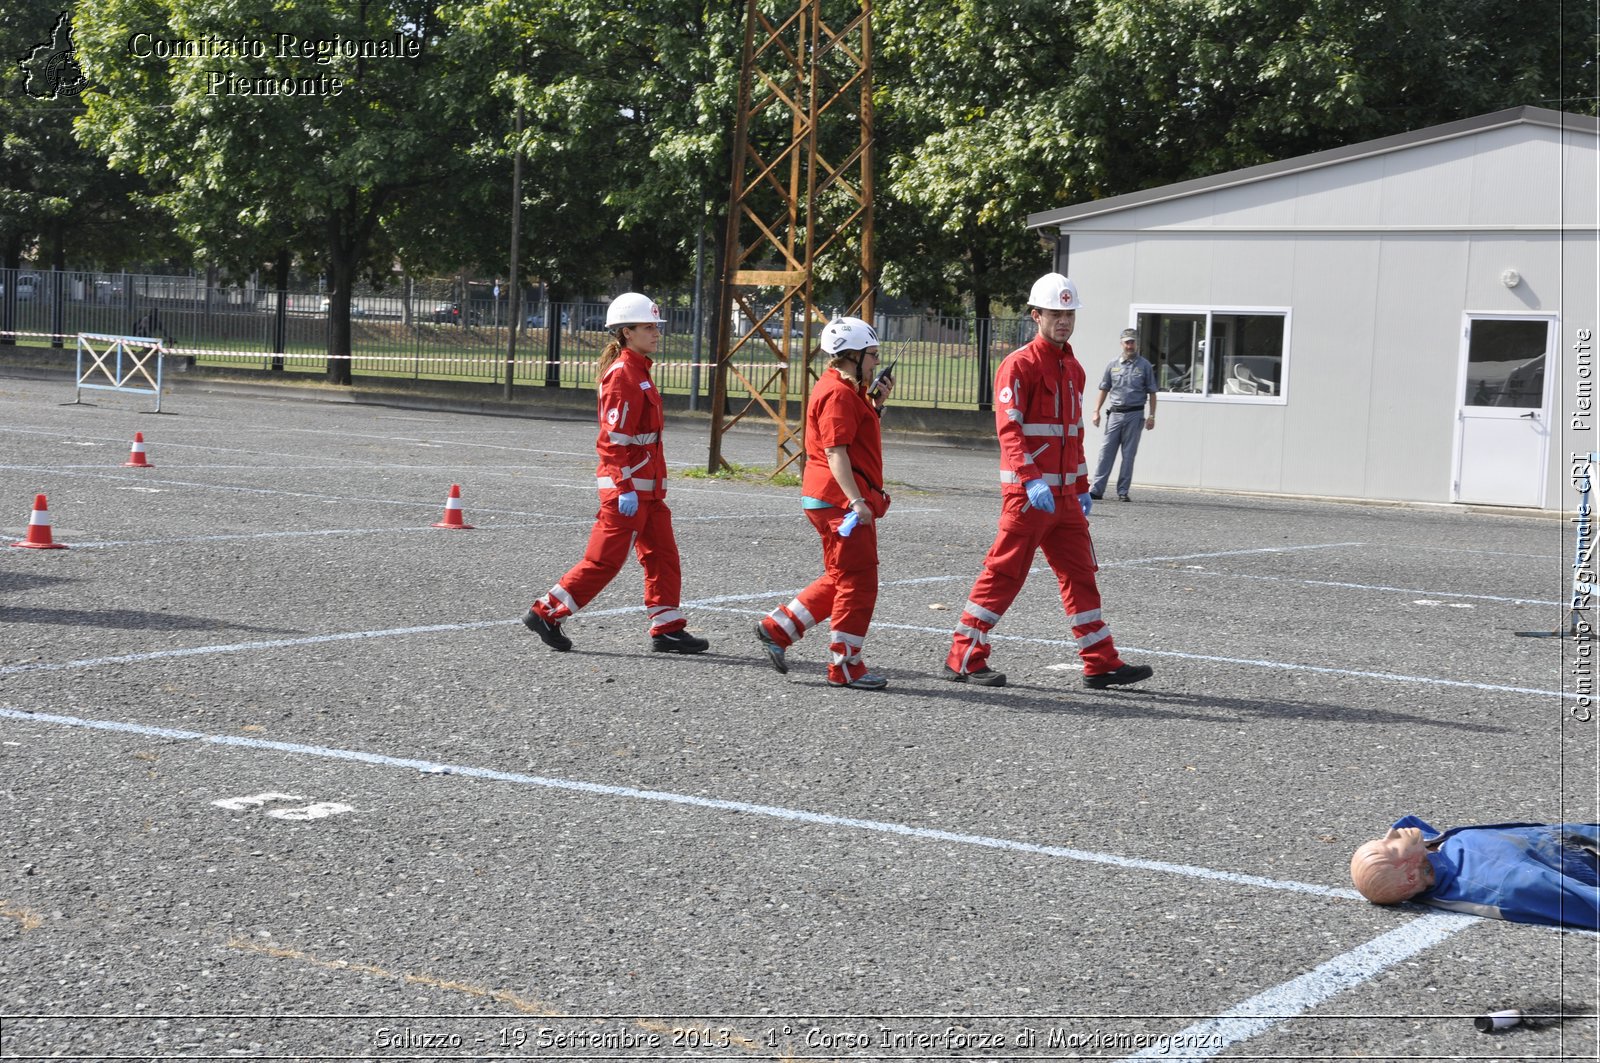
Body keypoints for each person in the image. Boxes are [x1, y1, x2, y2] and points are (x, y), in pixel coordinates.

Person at [944, 273, 1153, 691]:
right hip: (1029, 498)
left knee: (1081, 575)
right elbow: (1010, 431)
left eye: (1069, 313)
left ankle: (1100, 662)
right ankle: (964, 655)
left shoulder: (1073, 368)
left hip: (1066, 500)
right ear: (1036, 315)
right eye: (1055, 313)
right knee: (1003, 575)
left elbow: (1072, 433)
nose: (1063, 321)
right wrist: (1030, 480)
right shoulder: (1018, 365)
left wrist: (1080, 485)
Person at [522, 292, 709, 655]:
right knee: (603, 560)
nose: (657, 333)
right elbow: (611, 440)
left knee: (663, 557)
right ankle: (546, 612)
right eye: (648, 327)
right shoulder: (623, 374)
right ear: (627, 332)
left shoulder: (640, 370)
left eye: (656, 326)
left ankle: (667, 627)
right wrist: (624, 487)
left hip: (648, 491)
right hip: (627, 490)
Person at [754, 317, 893, 690]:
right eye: (872, 355)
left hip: (833, 498)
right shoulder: (837, 393)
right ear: (852, 355)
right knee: (858, 582)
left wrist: (876, 405)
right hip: (838, 500)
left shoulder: (848, 390)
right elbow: (835, 452)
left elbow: (855, 440)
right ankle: (845, 665)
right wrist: (857, 500)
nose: (876, 363)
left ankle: (778, 627)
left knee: (841, 576)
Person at [1350, 816, 1599, 930]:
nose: (1391, 834)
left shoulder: (1432, 857)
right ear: (1413, 877)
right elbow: (1586, 902)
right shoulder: (1503, 882)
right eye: (1389, 846)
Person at [1089, 327, 1157, 502]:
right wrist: (1096, 411)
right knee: (1106, 452)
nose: (1130, 345)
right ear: (1121, 344)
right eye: (1127, 342)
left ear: (1137, 343)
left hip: (1135, 415)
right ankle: (1097, 490)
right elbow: (1104, 389)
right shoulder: (1112, 365)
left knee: (1128, 454)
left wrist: (1152, 416)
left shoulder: (1145, 366)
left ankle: (1123, 491)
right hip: (1115, 414)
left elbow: (1152, 393)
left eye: (1132, 342)